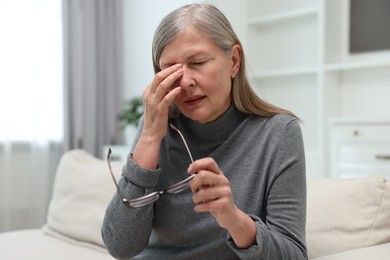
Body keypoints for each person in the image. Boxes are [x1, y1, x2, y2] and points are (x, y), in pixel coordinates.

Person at [102, 3, 307, 260]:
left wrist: (234, 219)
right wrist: (150, 138)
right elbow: (120, 248)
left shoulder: (279, 134)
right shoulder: (156, 128)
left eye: (198, 62)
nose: (186, 82)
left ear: (234, 61)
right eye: (171, 70)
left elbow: (294, 255)